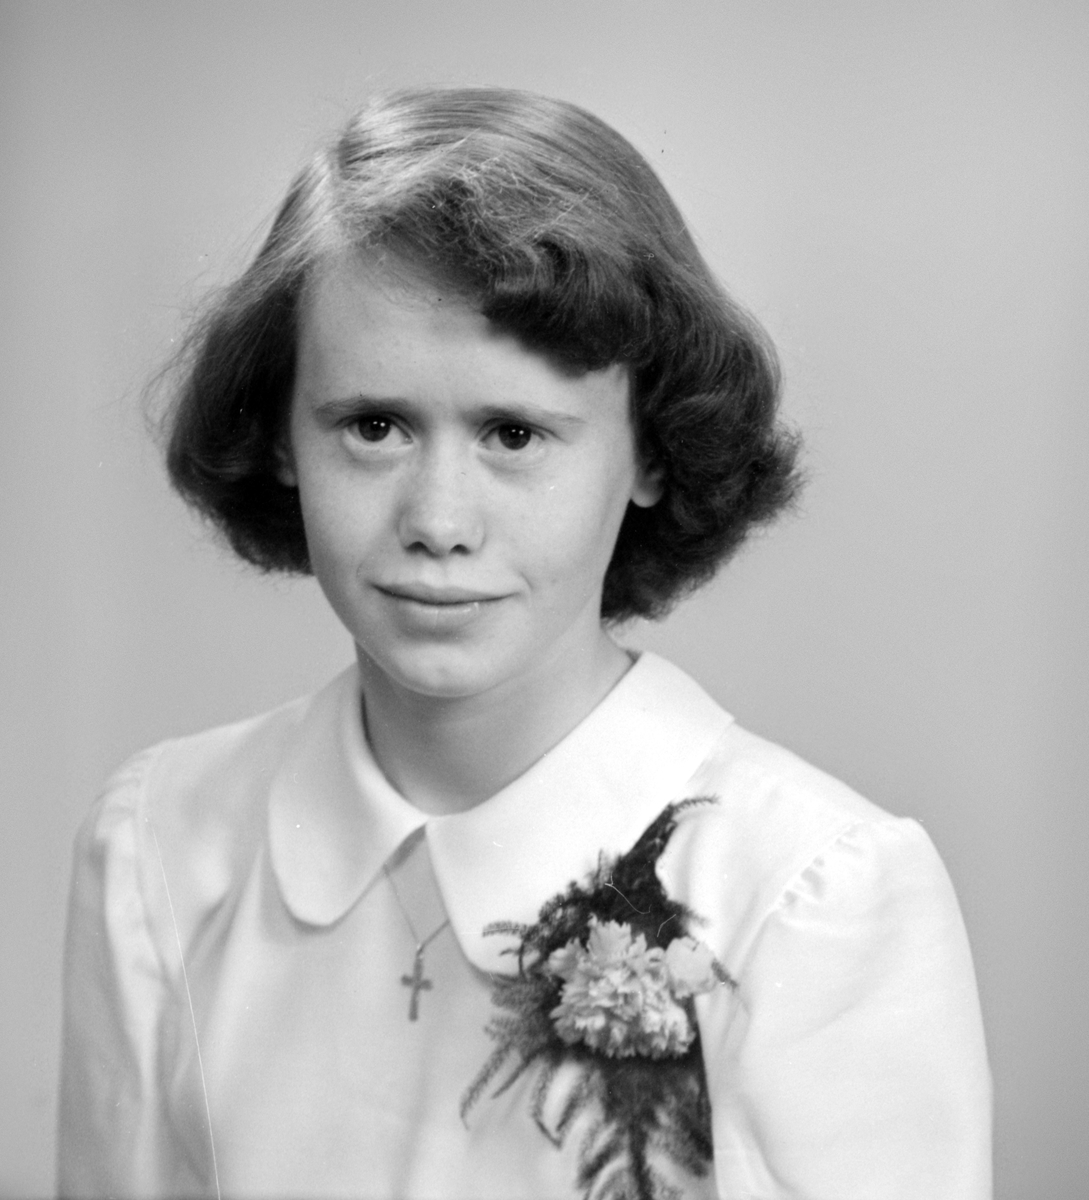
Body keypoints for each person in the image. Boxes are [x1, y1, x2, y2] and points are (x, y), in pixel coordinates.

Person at [57, 87, 992, 1200]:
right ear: (280, 440)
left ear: (651, 453)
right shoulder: (159, 843)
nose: (438, 521)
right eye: (373, 427)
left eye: (513, 434)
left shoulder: (807, 895)